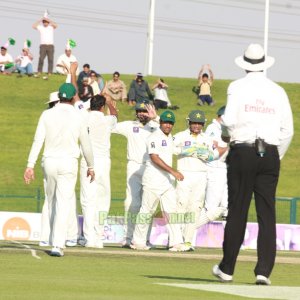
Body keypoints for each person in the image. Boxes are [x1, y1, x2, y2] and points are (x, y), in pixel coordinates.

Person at [212, 43, 294, 285]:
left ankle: (227, 268)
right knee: (266, 213)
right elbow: (287, 130)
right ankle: (263, 271)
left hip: (243, 151)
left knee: (237, 209)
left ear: (245, 63)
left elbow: (229, 122)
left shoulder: (236, 87)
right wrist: (273, 156)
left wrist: (230, 132)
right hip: (269, 153)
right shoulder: (277, 90)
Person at [23, 82, 95, 257]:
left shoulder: (47, 114)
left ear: (59, 97)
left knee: (51, 201)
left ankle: (47, 237)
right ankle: (57, 244)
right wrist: (91, 166)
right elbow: (86, 145)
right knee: (63, 203)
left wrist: (30, 165)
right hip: (68, 162)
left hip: (49, 162)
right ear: (72, 97)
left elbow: (37, 140)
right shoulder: (79, 116)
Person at [131, 110, 190, 252]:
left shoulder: (169, 137)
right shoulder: (153, 137)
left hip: (167, 182)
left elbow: (175, 149)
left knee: (171, 211)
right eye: (165, 122)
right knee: (147, 210)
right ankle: (137, 241)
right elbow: (154, 157)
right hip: (153, 180)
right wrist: (173, 171)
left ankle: (176, 243)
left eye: (170, 123)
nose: (168, 125)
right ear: (161, 123)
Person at [174, 110, 225, 250]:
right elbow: (170, 148)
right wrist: (185, 150)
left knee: (195, 208)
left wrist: (210, 155)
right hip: (184, 174)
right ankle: (175, 240)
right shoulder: (180, 136)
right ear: (189, 122)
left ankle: (188, 241)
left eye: (199, 123)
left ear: (203, 124)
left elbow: (215, 153)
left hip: (201, 175)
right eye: (194, 123)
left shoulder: (208, 139)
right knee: (180, 206)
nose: (196, 126)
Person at [112, 101, 159, 248]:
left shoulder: (156, 127)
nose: (141, 114)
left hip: (151, 167)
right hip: (133, 166)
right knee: (131, 203)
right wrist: (112, 110)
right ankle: (128, 237)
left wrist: (156, 119)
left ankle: (144, 238)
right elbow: (110, 126)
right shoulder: (129, 125)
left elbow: (167, 135)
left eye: (144, 111)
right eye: (139, 111)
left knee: (148, 204)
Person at [79, 95, 117, 248]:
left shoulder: (84, 117)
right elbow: (115, 114)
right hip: (103, 162)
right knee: (103, 200)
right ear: (102, 107)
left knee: (88, 200)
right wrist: (109, 102)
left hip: (88, 162)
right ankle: (99, 237)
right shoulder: (107, 120)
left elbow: (79, 106)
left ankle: (89, 238)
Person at [198, 106, 229, 227]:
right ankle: (186, 236)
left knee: (226, 206)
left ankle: (232, 243)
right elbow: (214, 150)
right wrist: (227, 147)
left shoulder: (226, 129)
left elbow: (221, 148)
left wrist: (223, 147)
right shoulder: (213, 128)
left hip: (226, 168)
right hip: (215, 169)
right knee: (211, 207)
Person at [32, 11, 57, 79]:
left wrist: (49, 19)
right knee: (41, 59)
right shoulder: (41, 27)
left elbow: (56, 25)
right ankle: (39, 71)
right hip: (43, 45)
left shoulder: (51, 27)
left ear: (48, 22)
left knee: (50, 59)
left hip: (50, 45)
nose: (45, 23)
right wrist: (40, 20)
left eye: (46, 22)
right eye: (44, 22)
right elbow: (33, 26)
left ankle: (49, 72)